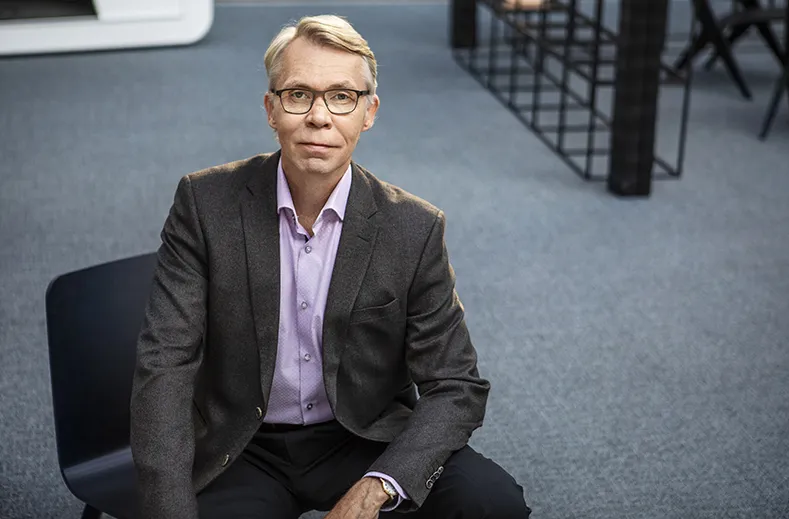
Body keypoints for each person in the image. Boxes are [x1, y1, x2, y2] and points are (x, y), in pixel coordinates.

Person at [130, 14, 531, 519]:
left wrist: (379, 486)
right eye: (299, 94)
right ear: (271, 109)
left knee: (491, 503)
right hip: (244, 443)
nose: (319, 117)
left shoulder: (413, 227)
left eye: (342, 97)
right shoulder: (204, 204)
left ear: (369, 112)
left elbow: (456, 385)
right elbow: (165, 365)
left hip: (361, 437)